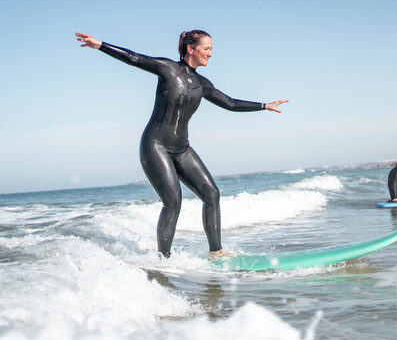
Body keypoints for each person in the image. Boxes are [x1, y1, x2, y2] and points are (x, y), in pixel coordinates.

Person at [75, 30, 288, 258]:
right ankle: (163, 259)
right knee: (173, 201)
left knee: (211, 193)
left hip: (182, 148)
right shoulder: (168, 69)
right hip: (155, 145)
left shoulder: (201, 84)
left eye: (211, 49)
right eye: (207, 49)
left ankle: (216, 251)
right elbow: (134, 57)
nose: (210, 54)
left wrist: (265, 105)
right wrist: (100, 45)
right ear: (191, 49)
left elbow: (230, 103)